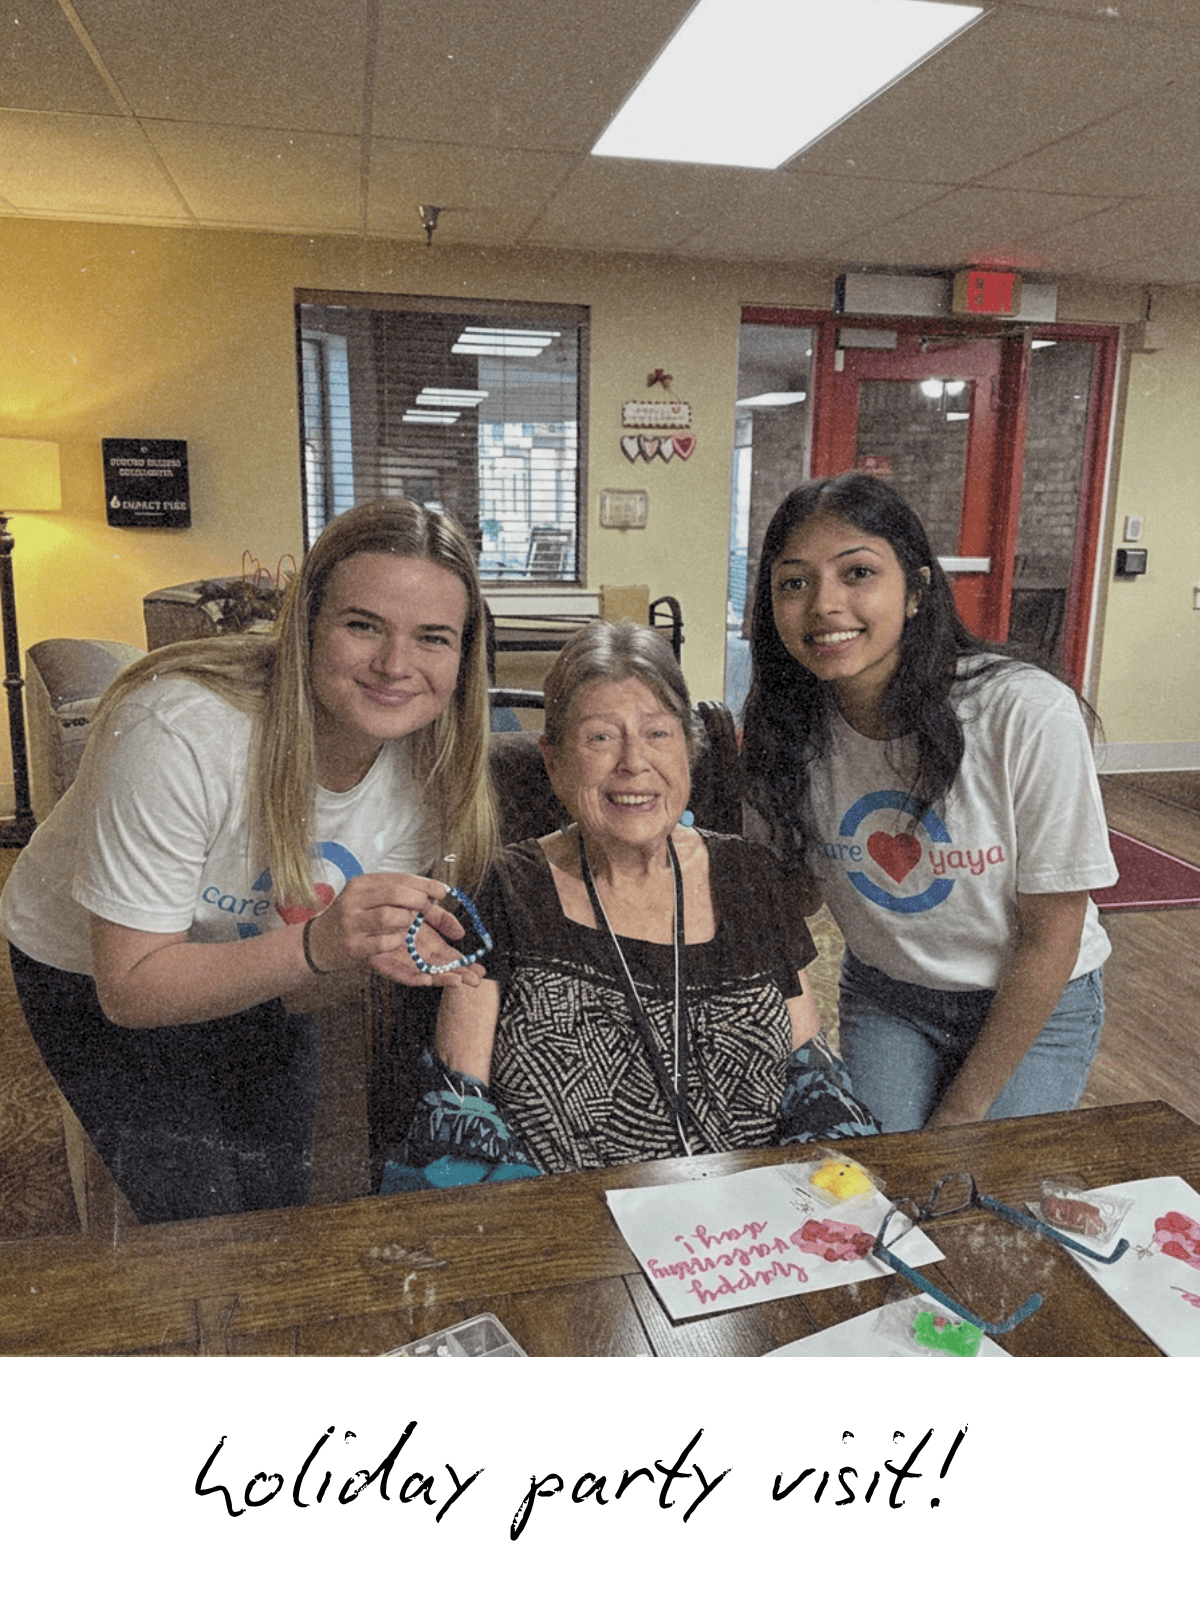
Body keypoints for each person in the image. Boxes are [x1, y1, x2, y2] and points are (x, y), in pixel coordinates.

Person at [0, 499, 499, 1222]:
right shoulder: (178, 732)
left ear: (464, 654)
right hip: (92, 967)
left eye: (432, 638)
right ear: (307, 626)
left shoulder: (433, 772)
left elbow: (307, 980)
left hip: (263, 948)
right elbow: (132, 989)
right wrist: (324, 944)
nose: (396, 665)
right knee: (199, 1216)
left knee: (277, 1201)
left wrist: (371, 952)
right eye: (363, 625)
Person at [380, 619, 876, 1191]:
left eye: (658, 734)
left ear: (689, 748)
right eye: (600, 737)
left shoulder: (751, 877)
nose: (634, 762)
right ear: (554, 757)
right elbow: (460, 1116)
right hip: (573, 1236)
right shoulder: (501, 890)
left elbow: (811, 1077)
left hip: (751, 1229)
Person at [740, 471, 1117, 1134]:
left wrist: (964, 1110)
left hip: (1035, 998)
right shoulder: (788, 727)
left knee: (977, 1185)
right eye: (794, 582)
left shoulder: (1023, 713)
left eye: (857, 573)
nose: (825, 605)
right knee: (879, 1180)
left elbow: (1052, 937)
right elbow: (791, 899)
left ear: (915, 591)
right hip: (891, 997)